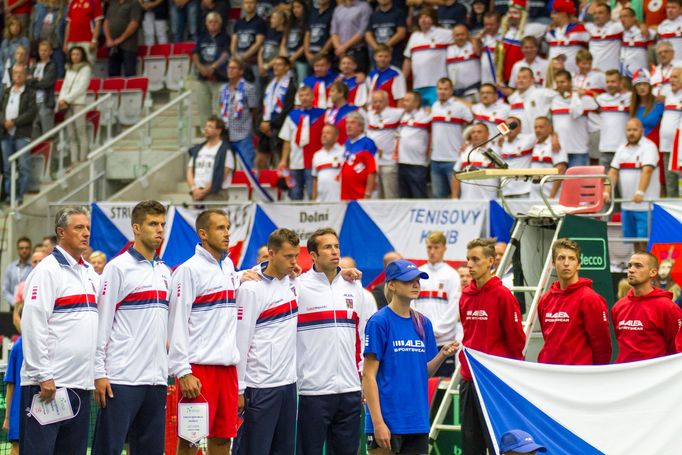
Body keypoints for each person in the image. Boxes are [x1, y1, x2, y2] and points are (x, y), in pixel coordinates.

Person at [92, 200, 172, 455]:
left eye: (162, 224)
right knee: (109, 449)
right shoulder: (117, 268)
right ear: (136, 228)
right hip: (121, 378)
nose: (159, 229)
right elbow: (102, 323)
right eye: (152, 224)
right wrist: (99, 372)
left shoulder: (164, 271)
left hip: (157, 380)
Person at [169, 209, 251, 455]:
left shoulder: (227, 266)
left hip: (227, 369)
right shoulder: (188, 270)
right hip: (198, 370)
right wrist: (183, 371)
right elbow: (176, 323)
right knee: (190, 441)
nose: (227, 233)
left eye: (228, 227)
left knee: (223, 440)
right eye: (220, 228)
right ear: (203, 234)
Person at [20, 207, 98, 454]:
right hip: (48, 387)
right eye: (79, 228)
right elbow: (33, 325)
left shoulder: (90, 273)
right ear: (61, 232)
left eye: (87, 228)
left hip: (81, 385)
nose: (85, 233)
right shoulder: (46, 271)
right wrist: (43, 375)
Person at [364, 259, 459, 454]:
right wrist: (377, 423)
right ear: (392, 285)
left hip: (417, 422)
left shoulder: (423, 323)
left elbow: (422, 373)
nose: (416, 285)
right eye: (408, 281)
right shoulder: (379, 322)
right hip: (387, 421)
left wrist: (442, 355)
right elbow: (368, 376)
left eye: (418, 280)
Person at [296, 228, 367, 455]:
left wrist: (362, 375)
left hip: (349, 389)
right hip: (312, 391)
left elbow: (362, 334)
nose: (334, 251)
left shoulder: (353, 285)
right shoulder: (298, 286)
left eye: (336, 246)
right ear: (313, 256)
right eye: (327, 247)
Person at [236, 228, 301, 455]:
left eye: (296, 255)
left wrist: (346, 273)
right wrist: (239, 388)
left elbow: (323, 280)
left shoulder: (293, 283)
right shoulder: (251, 288)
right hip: (259, 387)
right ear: (271, 254)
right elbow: (240, 341)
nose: (294, 262)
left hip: (288, 385)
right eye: (288, 256)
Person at [459, 238, 525, 454]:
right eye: (468, 259)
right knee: (470, 444)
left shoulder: (503, 295)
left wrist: (510, 378)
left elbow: (517, 341)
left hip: (495, 382)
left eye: (475, 259)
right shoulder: (465, 296)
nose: (469, 264)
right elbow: (469, 335)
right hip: (470, 380)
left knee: (499, 443)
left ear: (490, 261)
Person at [537, 239, 612, 365]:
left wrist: (597, 373)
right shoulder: (545, 299)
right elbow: (547, 338)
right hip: (548, 372)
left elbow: (602, 344)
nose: (566, 263)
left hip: (578, 374)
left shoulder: (589, 298)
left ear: (579, 264)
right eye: (561, 258)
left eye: (571, 258)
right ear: (553, 263)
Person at [612, 251, 682, 363]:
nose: (631, 270)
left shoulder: (667, 307)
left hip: (656, 377)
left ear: (653, 272)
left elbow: (676, 350)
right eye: (630, 265)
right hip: (623, 375)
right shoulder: (618, 306)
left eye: (638, 266)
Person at [412, 231, 462, 377]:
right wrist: (422, 329)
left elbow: (453, 308)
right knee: (421, 383)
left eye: (436, 247)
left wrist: (434, 332)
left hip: (444, 343)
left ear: (444, 248)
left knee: (441, 387)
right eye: (429, 248)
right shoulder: (418, 273)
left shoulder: (452, 275)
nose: (432, 251)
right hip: (420, 340)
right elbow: (411, 305)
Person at [606, 118, 660, 252]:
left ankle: (648, 271)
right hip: (627, 205)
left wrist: (640, 192)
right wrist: (606, 191)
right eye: (629, 130)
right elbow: (613, 172)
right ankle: (638, 271)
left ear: (642, 130)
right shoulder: (621, 149)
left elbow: (647, 170)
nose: (631, 133)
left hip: (645, 206)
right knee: (634, 243)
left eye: (635, 130)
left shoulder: (649, 147)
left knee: (646, 242)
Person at [278, 85, 326, 200]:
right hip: (295, 162)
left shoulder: (322, 114)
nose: (304, 98)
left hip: (313, 161)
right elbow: (287, 140)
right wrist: (284, 160)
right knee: (295, 193)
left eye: (307, 95)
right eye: (301, 95)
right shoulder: (292, 115)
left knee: (312, 192)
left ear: (313, 97)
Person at [431, 78, 473, 198]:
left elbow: (472, 125)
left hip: (453, 159)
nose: (442, 92)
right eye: (440, 89)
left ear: (451, 91)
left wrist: (467, 142)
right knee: (438, 198)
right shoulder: (434, 106)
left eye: (445, 89)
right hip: (435, 159)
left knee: (456, 197)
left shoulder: (459, 107)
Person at [0, 64, 36, 205]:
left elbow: (31, 113)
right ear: (12, 75)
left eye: (21, 73)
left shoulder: (30, 93)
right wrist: (4, 122)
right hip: (5, 134)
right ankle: (9, 196)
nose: (18, 75)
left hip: (22, 134)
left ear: (26, 75)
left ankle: (20, 196)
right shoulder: (6, 92)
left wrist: (14, 122)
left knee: (23, 167)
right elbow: (1, 110)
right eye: (15, 73)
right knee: (7, 168)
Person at [402, 7, 452, 107]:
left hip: (437, 85)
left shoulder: (443, 33)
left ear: (433, 19)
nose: (423, 20)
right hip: (418, 85)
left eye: (427, 17)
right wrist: (402, 79)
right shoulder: (414, 36)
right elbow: (408, 60)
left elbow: (462, 35)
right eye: (421, 17)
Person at [190, 12, 230, 130]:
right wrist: (200, 67)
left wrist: (213, 67)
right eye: (210, 22)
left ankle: (219, 132)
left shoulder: (225, 37)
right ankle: (205, 132)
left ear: (220, 23)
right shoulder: (202, 37)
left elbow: (226, 54)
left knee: (219, 109)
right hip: (202, 78)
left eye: (215, 21)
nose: (213, 24)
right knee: (203, 108)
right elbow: (195, 54)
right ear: (206, 24)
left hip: (220, 78)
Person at [550, 70, 598, 167]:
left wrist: (576, 96)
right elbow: (550, 123)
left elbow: (575, 113)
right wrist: (553, 136)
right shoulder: (553, 100)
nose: (559, 85)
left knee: (577, 182)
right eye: (557, 82)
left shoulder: (585, 99)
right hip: (559, 151)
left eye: (562, 82)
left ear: (570, 82)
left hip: (579, 151)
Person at [258, 56, 296, 170]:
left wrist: (271, 124)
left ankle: (283, 185)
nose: (276, 67)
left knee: (280, 160)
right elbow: (261, 104)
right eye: (275, 64)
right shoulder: (269, 84)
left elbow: (288, 109)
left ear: (287, 67)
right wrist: (262, 122)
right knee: (260, 159)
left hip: (280, 127)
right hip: (265, 126)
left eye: (279, 65)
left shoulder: (291, 85)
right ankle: (261, 184)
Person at [219, 59, 258, 169]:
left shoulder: (249, 88)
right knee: (226, 167)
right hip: (226, 133)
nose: (230, 71)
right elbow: (221, 107)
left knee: (246, 167)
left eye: (233, 68)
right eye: (229, 68)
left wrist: (250, 128)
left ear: (241, 71)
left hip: (243, 134)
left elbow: (253, 109)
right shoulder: (222, 89)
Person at [186, 116, 234, 202]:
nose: (206, 129)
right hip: (196, 194)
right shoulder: (198, 149)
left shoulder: (225, 150)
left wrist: (205, 191)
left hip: (216, 194)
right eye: (206, 126)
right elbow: (190, 170)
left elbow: (223, 175)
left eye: (210, 127)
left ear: (219, 131)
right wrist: (194, 189)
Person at [366, 89, 403, 199]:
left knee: (390, 195)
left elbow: (408, 110)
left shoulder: (395, 113)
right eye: (374, 101)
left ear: (387, 102)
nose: (377, 104)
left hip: (389, 162)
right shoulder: (369, 115)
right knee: (377, 197)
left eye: (380, 101)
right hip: (374, 163)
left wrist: (426, 109)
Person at [58, 46, 91, 166]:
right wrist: (61, 99)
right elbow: (65, 86)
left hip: (78, 103)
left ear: (82, 55)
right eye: (73, 54)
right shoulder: (69, 69)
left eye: (77, 54)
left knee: (81, 132)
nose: (75, 56)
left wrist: (66, 99)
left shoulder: (86, 69)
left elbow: (81, 87)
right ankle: (74, 160)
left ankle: (83, 159)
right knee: (71, 134)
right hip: (67, 104)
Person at [451, 122, 499, 201]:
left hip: (489, 201)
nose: (475, 135)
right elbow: (456, 175)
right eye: (473, 132)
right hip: (467, 201)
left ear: (488, 134)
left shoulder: (495, 151)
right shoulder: (465, 151)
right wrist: (454, 198)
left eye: (479, 132)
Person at [396, 91, 431, 198]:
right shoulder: (402, 115)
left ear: (416, 103)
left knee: (418, 196)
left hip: (417, 164)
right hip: (402, 162)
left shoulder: (426, 115)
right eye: (403, 100)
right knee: (404, 196)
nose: (404, 103)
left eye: (407, 100)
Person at [596, 69, 631, 168]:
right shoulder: (600, 99)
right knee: (605, 183)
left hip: (623, 149)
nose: (610, 84)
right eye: (608, 82)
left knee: (622, 183)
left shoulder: (629, 97)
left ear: (620, 83)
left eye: (613, 82)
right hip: (604, 150)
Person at [341, 111, 378, 200]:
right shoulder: (346, 143)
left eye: (352, 123)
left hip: (361, 192)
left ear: (361, 126)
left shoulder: (367, 143)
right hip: (347, 192)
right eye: (347, 123)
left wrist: (368, 193)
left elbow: (371, 170)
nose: (348, 126)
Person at [546, 0, 589, 74]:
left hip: (574, 78)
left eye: (554, 13)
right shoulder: (550, 33)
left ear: (563, 14)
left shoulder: (579, 30)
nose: (551, 16)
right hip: (553, 77)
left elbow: (591, 49)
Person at [530, 116, 567, 200]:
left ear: (550, 128)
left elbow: (560, 170)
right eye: (535, 127)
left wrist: (552, 197)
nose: (537, 130)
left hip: (550, 198)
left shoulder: (556, 144)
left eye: (541, 127)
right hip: (533, 197)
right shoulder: (532, 143)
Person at [330, 0, 372, 73]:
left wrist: (344, 47)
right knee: (339, 81)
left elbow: (362, 31)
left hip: (357, 51)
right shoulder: (338, 9)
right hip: (340, 53)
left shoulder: (364, 7)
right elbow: (334, 31)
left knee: (358, 80)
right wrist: (338, 48)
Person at [230, 0, 266, 87]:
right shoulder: (239, 23)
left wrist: (244, 56)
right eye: (246, 3)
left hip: (253, 62)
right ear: (243, 5)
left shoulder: (260, 22)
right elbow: (233, 43)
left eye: (251, 2)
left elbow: (259, 43)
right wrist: (235, 55)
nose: (249, 5)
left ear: (256, 4)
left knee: (254, 90)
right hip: (238, 61)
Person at [103, 0, 142, 77]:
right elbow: (106, 22)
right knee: (113, 73)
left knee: (129, 73)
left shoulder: (134, 3)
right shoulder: (113, 3)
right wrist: (108, 39)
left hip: (128, 45)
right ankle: (114, 89)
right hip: (112, 44)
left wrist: (121, 38)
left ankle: (131, 89)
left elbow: (134, 23)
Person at [4, 301, 23, 455]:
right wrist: (8, 418)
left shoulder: (17, 346)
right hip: (18, 411)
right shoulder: (17, 347)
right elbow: (11, 385)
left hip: (36, 410)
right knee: (16, 447)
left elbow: (10, 387)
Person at [659, 67, 682, 197]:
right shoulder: (666, 94)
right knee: (670, 186)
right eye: (671, 77)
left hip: (679, 149)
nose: (671, 80)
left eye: (675, 77)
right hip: (666, 146)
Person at [366, 0, 407, 68]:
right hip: (377, 60)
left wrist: (385, 47)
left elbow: (401, 32)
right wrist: (377, 48)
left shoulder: (399, 13)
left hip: (394, 58)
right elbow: (368, 34)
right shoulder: (373, 15)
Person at [29, 41, 58, 137]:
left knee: (48, 133)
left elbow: (46, 83)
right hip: (33, 102)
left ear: (50, 52)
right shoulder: (34, 65)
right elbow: (27, 82)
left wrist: (33, 81)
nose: (43, 52)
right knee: (34, 130)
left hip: (45, 102)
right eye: (41, 50)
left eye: (45, 50)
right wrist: (36, 80)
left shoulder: (52, 66)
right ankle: (37, 152)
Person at [446, 24, 481, 100]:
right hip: (455, 91)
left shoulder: (473, 45)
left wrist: (474, 40)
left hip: (473, 87)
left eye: (462, 34)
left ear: (467, 35)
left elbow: (479, 53)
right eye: (457, 35)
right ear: (453, 36)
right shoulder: (448, 49)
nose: (460, 37)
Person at [586, 2, 623, 73]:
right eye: (595, 13)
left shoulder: (616, 27)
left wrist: (641, 25)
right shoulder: (589, 28)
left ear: (609, 15)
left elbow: (631, 23)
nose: (596, 16)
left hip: (611, 73)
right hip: (593, 72)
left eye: (600, 13)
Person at [366, 44, 406, 108]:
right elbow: (368, 97)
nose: (383, 59)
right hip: (373, 113)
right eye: (380, 56)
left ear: (390, 58)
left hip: (390, 111)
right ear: (375, 57)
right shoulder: (371, 75)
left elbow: (400, 98)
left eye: (386, 56)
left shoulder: (396, 74)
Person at [312, 124, 344, 202]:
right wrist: (314, 199)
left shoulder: (343, 152)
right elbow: (315, 179)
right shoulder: (317, 155)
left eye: (328, 133)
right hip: (321, 202)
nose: (324, 135)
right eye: (323, 133)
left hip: (339, 201)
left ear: (336, 137)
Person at [630, 70, 664, 145]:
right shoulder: (632, 106)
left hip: (656, 145)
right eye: (638, 84)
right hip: (637, 146)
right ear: (635, 88)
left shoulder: (659, 104)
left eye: (645, 84)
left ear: (650, 86)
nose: (642, 87)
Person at [64, 0, 103, 64]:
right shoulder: (73, 2)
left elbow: (98, 23)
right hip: (72, 41)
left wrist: (94, 41)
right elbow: (68, 24)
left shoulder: (94, 1)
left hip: (87, 40)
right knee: (71, 66)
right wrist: (65, 43)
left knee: (87, 65)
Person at [619, 7, 653, 77]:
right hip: (625, 75)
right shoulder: (620, 32)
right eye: (621, 17)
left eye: (625, 16)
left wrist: (642, 25)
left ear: (633, 18)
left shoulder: (643, 31)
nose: (622, 19)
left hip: (641, 75)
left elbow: (657, 34)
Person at [325, 80, 359, 145]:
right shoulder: (329, 112)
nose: (329, 94)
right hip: (332, 150)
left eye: (332, 91)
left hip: (349, 148)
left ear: (341, 93)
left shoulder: (354, 110)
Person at [3, 236, 31, 310]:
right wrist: (14, 302)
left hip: (29, 306)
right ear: (17, 250)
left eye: (27, 248)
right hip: (13, 306)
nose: (24, 250)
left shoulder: (34, 267)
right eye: (21, 248)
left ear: (30, 249)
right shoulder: (10, 267)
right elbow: (5, 289)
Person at [474, 12, 501, 86]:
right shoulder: (482, 36)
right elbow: (477, 53)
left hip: (499, 79)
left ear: (499, 24)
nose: (488, 27)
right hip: (485, 79)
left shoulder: (504, 35)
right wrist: (477, 40)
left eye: (491, 24)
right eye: (486, 24)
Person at [285, 0, 309, 83]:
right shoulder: (291, 23)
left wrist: (293, 58)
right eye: (294, 7)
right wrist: (285, 58)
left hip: (301, 60)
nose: (295, 10)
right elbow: (284, 41)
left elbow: (305, 44)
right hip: (289, 59)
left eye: (298, 7)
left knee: (301, 84)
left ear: (304, 8)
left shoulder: (307, 23)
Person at [0, 17, 30, 82]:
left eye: (18, 25)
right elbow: (1, 59)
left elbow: (26, 58)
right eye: (13, 25)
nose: (15, 27)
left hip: (18, 72)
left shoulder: (24, 41)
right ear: (9, 27)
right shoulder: (4, 42)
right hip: (4, 72)